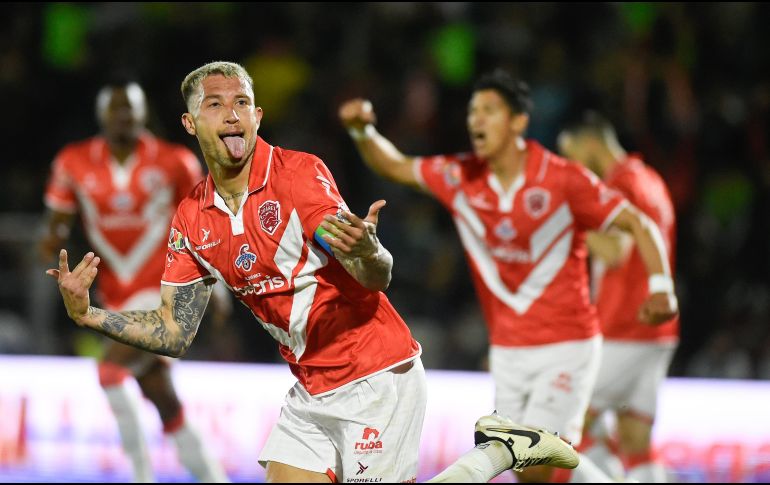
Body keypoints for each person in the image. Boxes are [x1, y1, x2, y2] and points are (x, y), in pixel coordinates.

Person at [46, 61, 579, 483]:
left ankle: (503, 451)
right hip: (309, 388)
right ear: (191, 123)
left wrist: (369, 251)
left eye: (242, 104)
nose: (232, 114)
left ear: (257, 117)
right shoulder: (192, 217)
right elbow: (174, 332)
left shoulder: (298, 176)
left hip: (375, 375)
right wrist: (90, 315)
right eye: (215, 105)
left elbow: (372, 272)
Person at [338, 69, 679, 483]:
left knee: (527, 457)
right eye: (472, 111)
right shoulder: (459, 177)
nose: (476, 120)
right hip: (509, 350)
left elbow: (637, 225)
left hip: (566, 343)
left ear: (518, 121)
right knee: (534, 468)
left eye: (489, 110)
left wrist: (661, 287)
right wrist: (362, 132)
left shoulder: (562, 178)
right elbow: (394, 165)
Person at [40, 79, 229, 483]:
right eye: (116, 108)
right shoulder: (72, 163)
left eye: (131, 108)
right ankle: (215, 478)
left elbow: (206, 225)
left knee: (110, 372)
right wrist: (52, 247)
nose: (124, 116)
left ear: (145, 113)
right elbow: (54, 226)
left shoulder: (175, 160)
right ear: (102, 114)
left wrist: (219, 289)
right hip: (115, 294)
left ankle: (141, 476)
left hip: (166, 287)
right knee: (165, 402)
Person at [557, 111, 679, 482]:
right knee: (634, 437)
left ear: (591, 143)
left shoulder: (620, 185)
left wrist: (569, 220)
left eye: (572, 153)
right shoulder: (651, 179)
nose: (572, 167)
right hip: (656, 334)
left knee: (563, 423)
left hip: (623, 328)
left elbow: (614, 252)